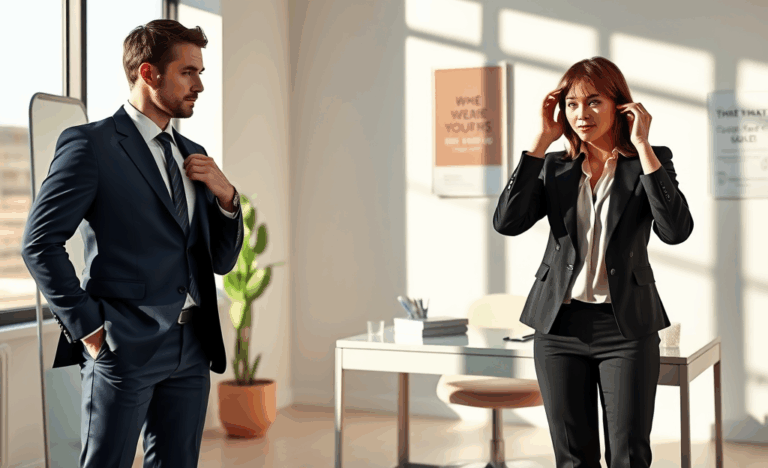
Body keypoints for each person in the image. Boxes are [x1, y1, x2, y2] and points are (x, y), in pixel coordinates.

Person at [21, 19, 244, 468]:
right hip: (124, 346)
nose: (199, 84)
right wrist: (90, 329)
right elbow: (39, 242)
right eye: (188, 72)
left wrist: (227, 198)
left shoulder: (192, 154)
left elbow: (219, 261)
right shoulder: (91, 145)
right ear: (148, 73)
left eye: (200, 72)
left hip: (192, 348)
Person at [493, 56, 693, 468]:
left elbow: (675, 231)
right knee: (572, 458)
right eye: (571, 104)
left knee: (629, 455)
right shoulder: (554, 166)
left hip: (626, 329)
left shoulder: (649, 161)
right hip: (558, 327)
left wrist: (643, 146)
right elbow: (507, 222)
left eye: (594, 102)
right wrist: (539, 142)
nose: (581, 114)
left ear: (620, 106)